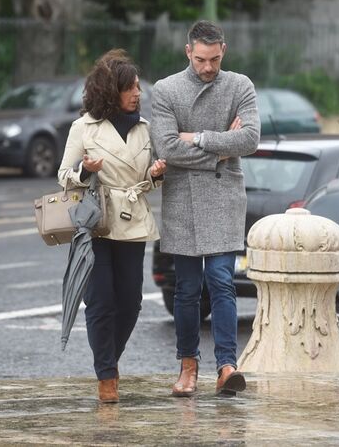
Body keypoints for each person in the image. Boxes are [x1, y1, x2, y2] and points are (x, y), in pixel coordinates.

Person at [151, 20, 260, 397]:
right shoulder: (166, 90)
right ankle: (188, 364)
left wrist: (197, 137)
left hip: (224, 199)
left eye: (214, 59)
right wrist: (220, 151)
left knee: (221, 282)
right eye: (200, 59)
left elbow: (250, 138)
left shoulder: (240, 85)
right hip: (182, 199)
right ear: (188, 53)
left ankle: (227, 366)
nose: (208, 67)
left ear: (223, 51)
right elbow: (166, 147)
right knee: (186, 289)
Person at [57, 49, 167, 404]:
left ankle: (109, 361)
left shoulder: (144, 129)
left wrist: (154, 176)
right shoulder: (83, 127)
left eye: (138, 87)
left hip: (132, 221)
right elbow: (64, 177)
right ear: (111, 91)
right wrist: (87, 170)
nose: (138, 94)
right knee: (101, 301)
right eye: (131, 88)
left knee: (130, 303)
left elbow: (145, 180)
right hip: (96, 223)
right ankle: (106, 374)